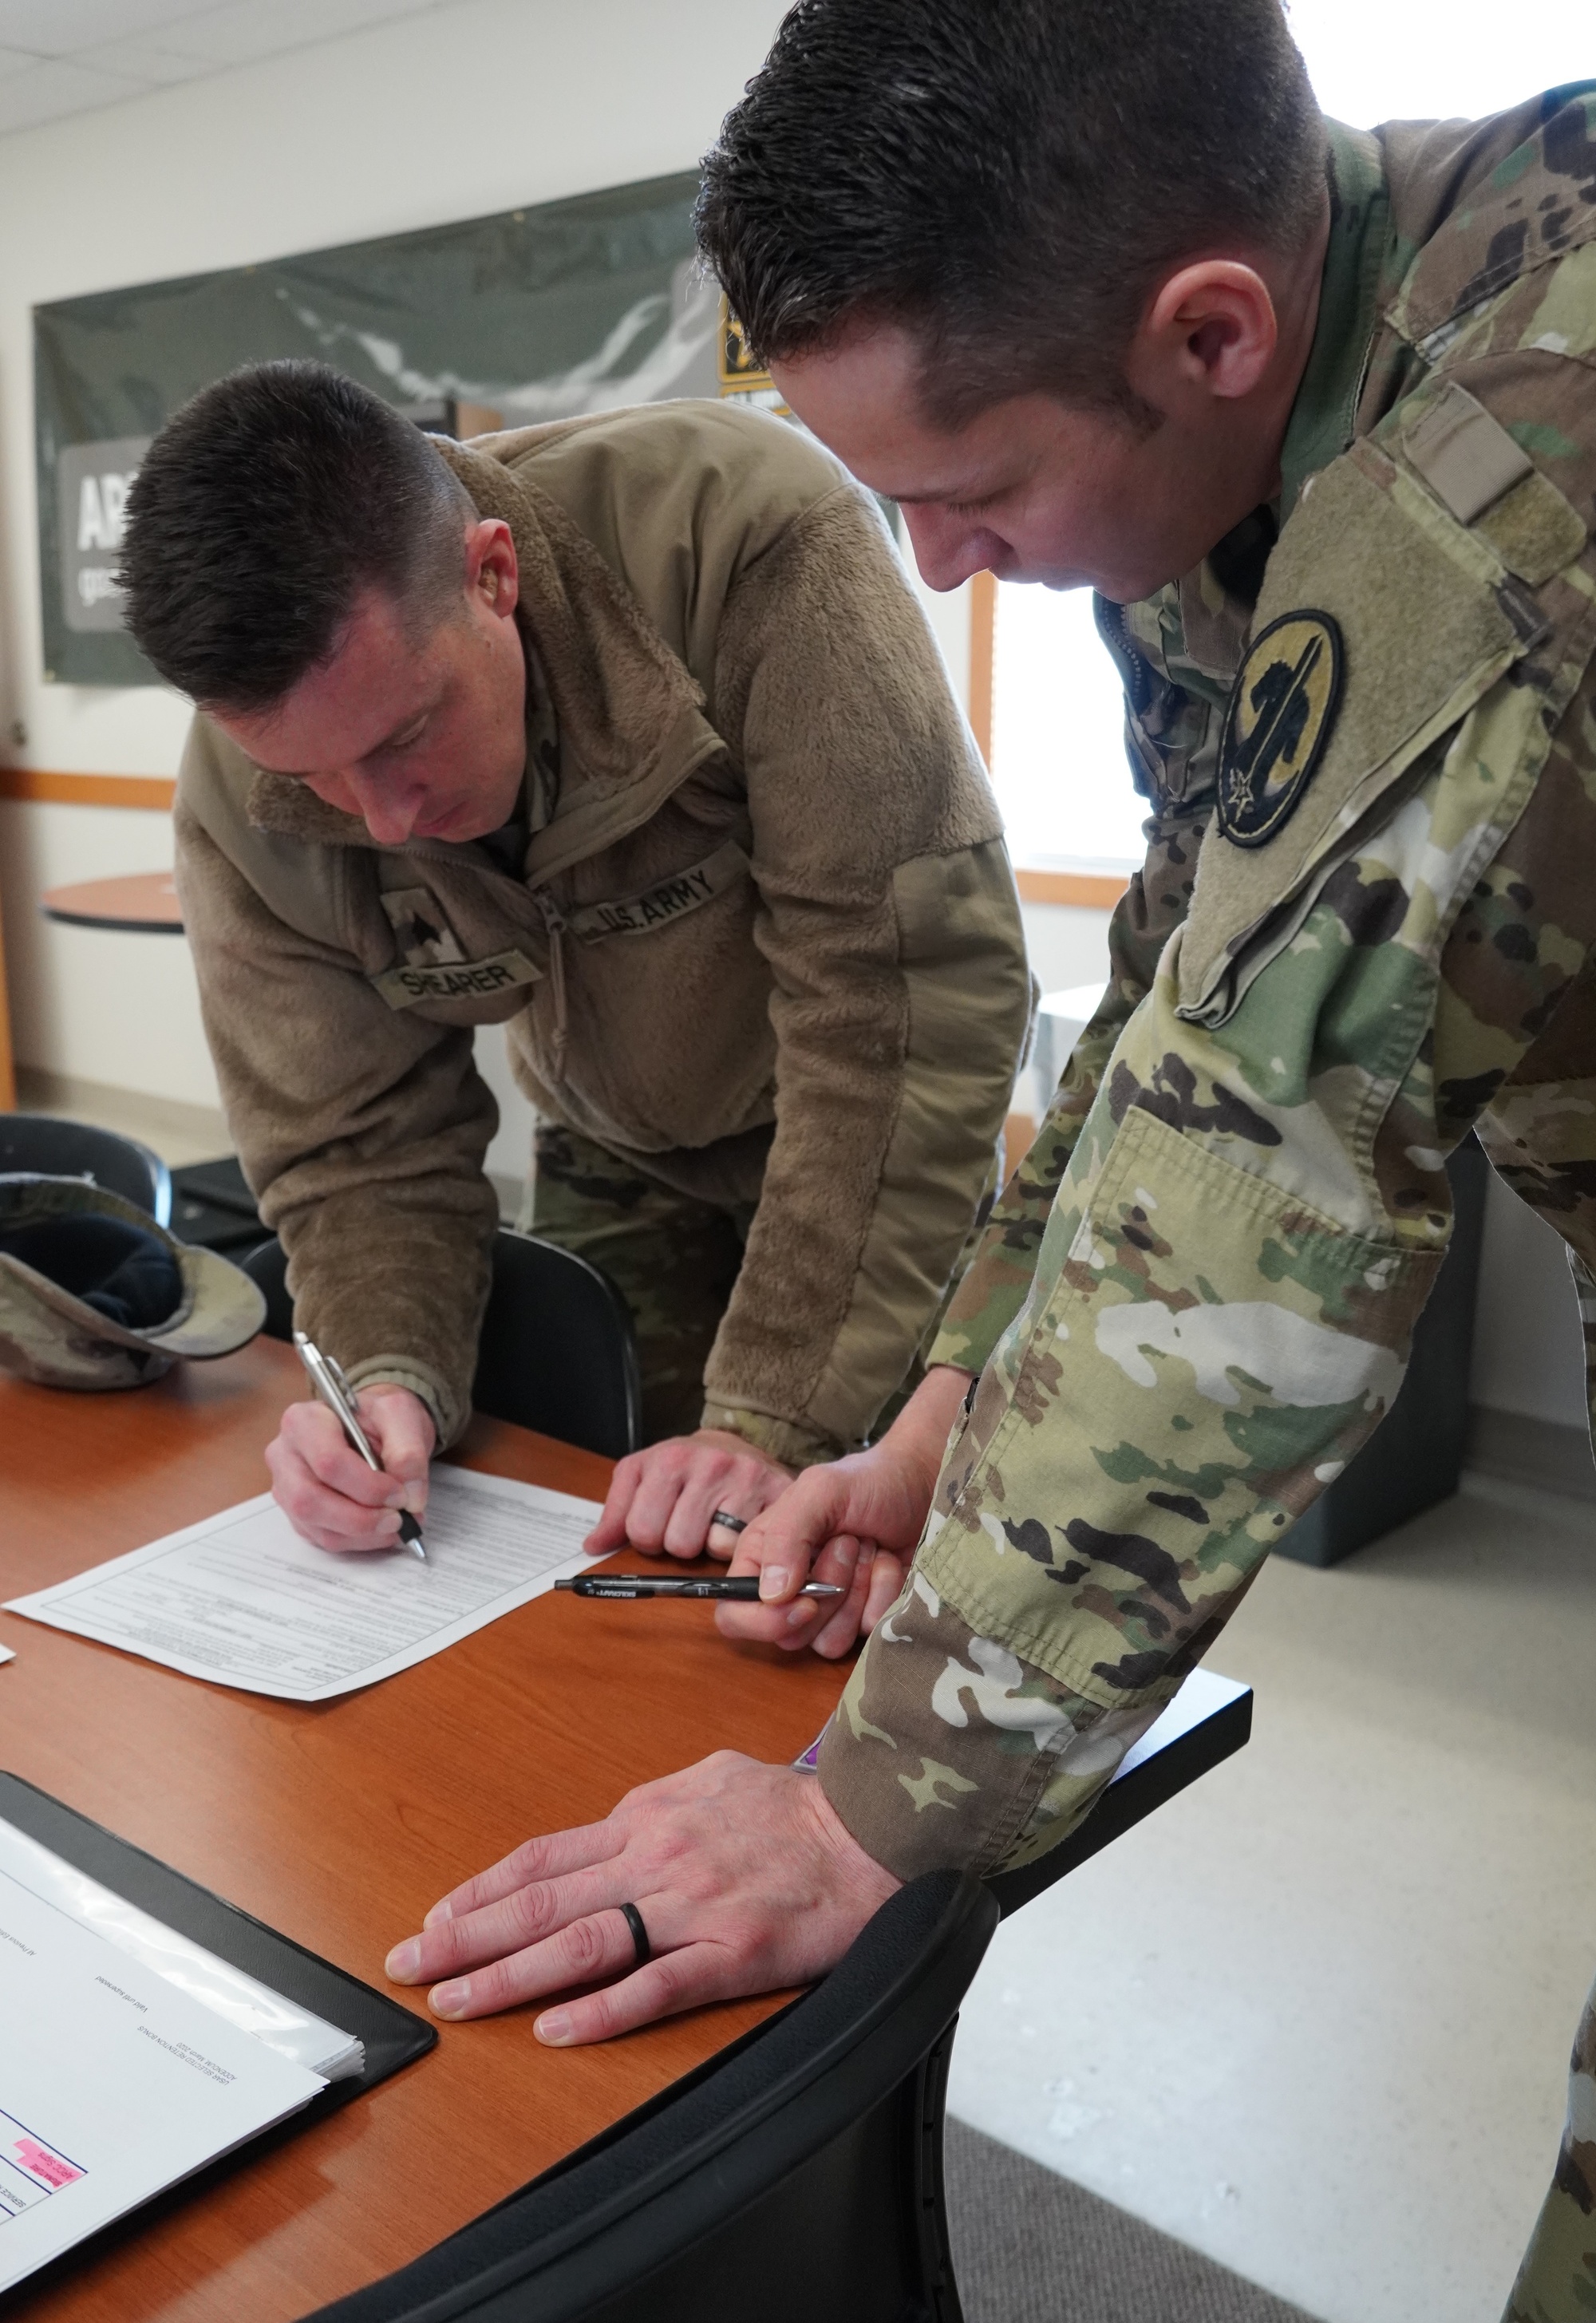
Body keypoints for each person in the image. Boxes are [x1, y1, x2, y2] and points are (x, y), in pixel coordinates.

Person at [373, 6, 1596, 2313]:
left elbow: (1261, 1185)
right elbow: (1165, 977)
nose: (935, 570)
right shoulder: (1245, 424)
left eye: (974, 493)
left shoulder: (1486, 497)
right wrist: (945, 1416)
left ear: (1208, 331)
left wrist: (869, 1806)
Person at [120, 361, 1032, 1631]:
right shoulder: (243, 798)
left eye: (403, 736)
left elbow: (896, 1010)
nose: (385, 818)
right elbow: (357, 1148)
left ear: (494, 576)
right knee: (630, 1583)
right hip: (615, 1138)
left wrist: (771, 1413)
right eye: (317, 775)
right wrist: (385, 1379)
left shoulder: (744, 541)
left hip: (858, 1129)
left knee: (855, 1581)